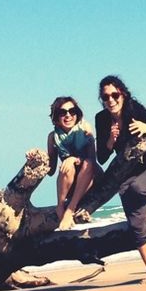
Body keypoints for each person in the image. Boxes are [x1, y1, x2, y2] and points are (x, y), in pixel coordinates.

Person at [92, 74, 146, 284]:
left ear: (123, 95)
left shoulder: (135, 110)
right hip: (126, 174)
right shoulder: (102, 119)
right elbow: (102, 157)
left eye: (115, 95)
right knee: (136, 225)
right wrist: (110, 140)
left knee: (137, 188)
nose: (111, 101)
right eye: (106, 97)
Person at [46, 95, 96, 231]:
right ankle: (60, 206)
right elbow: (50, 171)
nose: (68, 116)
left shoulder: (85, 127)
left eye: (72, 111)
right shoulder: (53, 137)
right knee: (68, 167)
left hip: (89, 177)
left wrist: (73, 159)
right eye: (62, 113)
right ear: (56, 117)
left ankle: (70, 210)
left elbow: (93, 159)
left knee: (86, 163)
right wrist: (38, 159)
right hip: (69, 182)